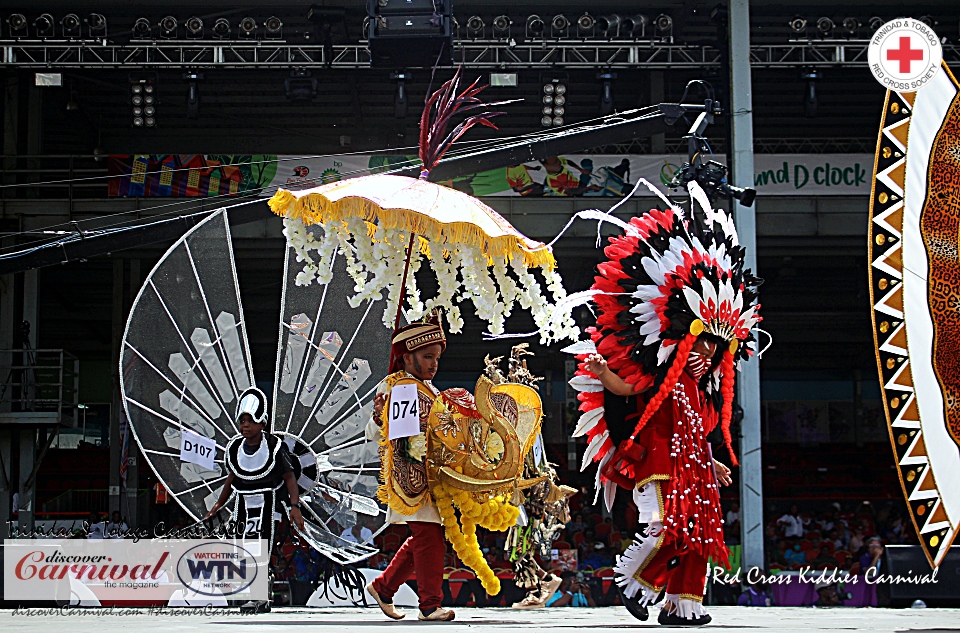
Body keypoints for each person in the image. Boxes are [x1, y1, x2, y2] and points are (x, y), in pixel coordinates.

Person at [567, 201, 762, 626]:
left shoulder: (700, 392)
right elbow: (626, 388)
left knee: (699, 535)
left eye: (717, 346)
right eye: (704, 340)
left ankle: (681, 606)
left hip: (693, 471)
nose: (709, 352)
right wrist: (603, 373)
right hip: (659, 464)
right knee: (668, 526)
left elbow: (694, 434)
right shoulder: (662, 375)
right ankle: (634, 580)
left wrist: (709, 460)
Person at [365, 316, 455, 622]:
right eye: (427, 357)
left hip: (432, 476)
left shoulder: (428, 388)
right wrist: (379, 417)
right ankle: (430, 605)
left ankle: (383, 587)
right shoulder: (395, 385)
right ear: (407, 357)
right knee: (429, 537)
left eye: (437, 358)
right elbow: (373, 433)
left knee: (425, 537)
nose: (433, 364)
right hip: (411, 475)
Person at [204, 387, 305, 614]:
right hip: (242, 503)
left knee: (260, 548)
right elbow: (232, 478)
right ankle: (254, 594)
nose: (245, 425)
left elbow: (289, 477)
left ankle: (260, 596)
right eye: (242, 421)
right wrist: (218, 505)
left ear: (262, 422)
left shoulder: (274, 447)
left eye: (250, 420)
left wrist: (294, 506)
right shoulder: (235, 449)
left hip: (266, 502)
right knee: (242, 548)